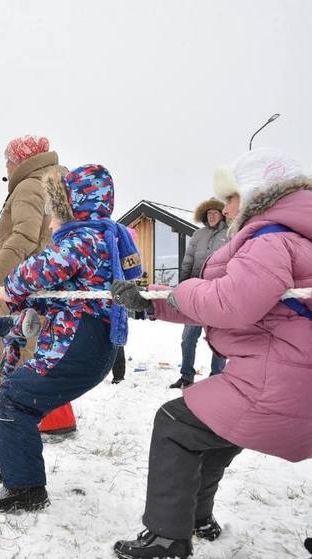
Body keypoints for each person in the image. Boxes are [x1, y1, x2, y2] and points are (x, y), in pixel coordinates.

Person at [112, 149, 312, 559]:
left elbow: (234, 304)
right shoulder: (298, 238)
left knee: (176, 423)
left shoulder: (270, 238)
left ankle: (167, 537)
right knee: (214, 434)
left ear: (257, 193)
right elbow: (237, 299)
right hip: (297, 376)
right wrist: (152, 303)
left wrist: (180, 289)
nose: (225, 207)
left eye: (230, 197)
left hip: (282, 381)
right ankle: (197, 517)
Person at [0, 163, 141, 512]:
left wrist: (5, 290)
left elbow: (35, 271)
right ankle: (9, 462)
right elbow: (62, 288)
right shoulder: (102, 238)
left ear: (71, 206)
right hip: (86, 343)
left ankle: (25, 488)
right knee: (20, 395)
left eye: (54, 212)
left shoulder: (82, 239)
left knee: (13, 397)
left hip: (80, 344)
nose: (49, 223)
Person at [0, 134, 77, 435]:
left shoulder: (30, 185)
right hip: (49, 280)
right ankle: (57, 416)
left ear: (19, 161)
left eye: (7, 161)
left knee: (11, 344)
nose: (6, 167)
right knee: (40, 347)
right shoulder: (57, 183)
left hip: (22, 281)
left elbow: (25, 236)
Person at [170, 198, 229, 388]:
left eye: (215, 213)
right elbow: (188, 260)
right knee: (188, 338)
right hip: (196, 292)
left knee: (219, 339)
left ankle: (216, 378)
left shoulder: (231, 234)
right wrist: (182, 285)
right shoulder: (198, 235)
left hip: (219, 292)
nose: (212, 215)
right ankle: (186, 375)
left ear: (222, 214)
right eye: (209, 213)